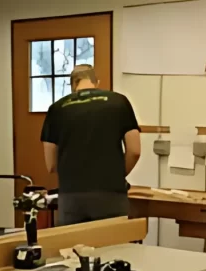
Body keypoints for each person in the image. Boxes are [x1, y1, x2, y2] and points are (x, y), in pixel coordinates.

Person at [40, 64, 141, 226]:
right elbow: (135, 151)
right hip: (110, 194)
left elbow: (51, 164)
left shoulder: (57, 109)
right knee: (114, 249)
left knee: (72, 249)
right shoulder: (118, 102)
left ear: (73, 84)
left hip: (71, 196)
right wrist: (117, 175)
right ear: (96, 82)